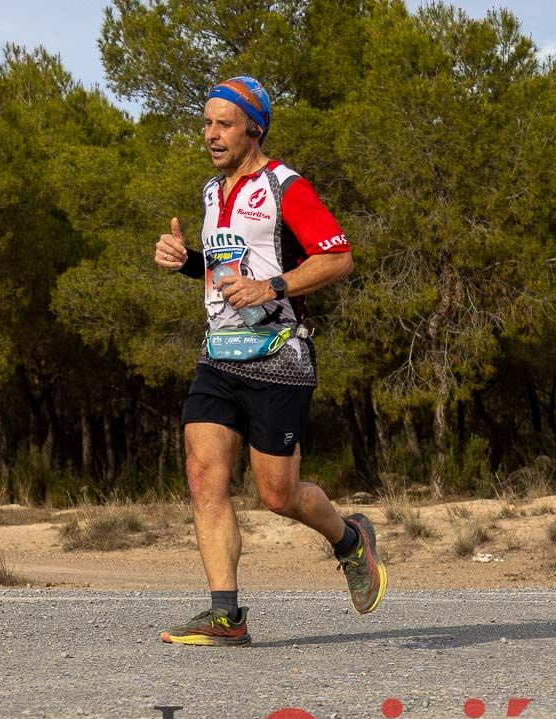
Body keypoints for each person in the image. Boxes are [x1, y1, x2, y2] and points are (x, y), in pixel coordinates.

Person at [152, 75, 388, 646]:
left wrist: (273, 286)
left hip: (279, 356)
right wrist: (186, 262)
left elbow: (339, 258)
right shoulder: (212, 192)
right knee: (204, 475)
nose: (210, 134)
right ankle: (226, 616)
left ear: (253, 128)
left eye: (223, 124)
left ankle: (351, 540)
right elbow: (225, 266)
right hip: (219, 355)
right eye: (206, 122)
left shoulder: (286, 186)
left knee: (277, 495)